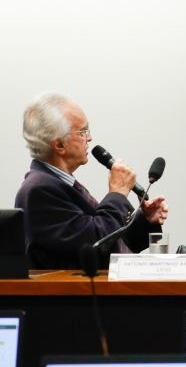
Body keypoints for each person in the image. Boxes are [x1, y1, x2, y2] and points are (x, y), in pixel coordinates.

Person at [14, 92, 169, 269]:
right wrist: (117, 193)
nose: (89, 138)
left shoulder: (60, 183)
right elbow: (94, 245)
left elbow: (110, 241)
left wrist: (144, 221)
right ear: (59, 145)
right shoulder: (39, 190)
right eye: (83, 131)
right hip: (77, 295)